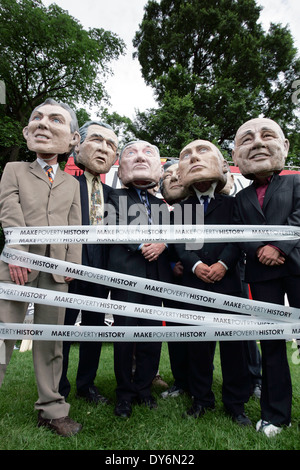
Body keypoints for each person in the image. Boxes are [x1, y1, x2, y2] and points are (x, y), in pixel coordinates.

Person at [0, 98, 82, 436]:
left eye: (54, 119)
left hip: (56, 272)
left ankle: (52, 409)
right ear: (26, 131)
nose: (42, 124)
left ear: (72, 140)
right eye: (36, 117)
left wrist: (72, 266)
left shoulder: (73, 183)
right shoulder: (14, 170)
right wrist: (17, 252)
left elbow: (76, 229)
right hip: (16, 267)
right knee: (2, 334)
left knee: (52, 341)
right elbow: (8, 209)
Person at [174, 139, 251, 426]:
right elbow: (180, 244)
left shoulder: (234, 204)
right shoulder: (182, 209)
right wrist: (195, 265)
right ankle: (201, 400)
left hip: (229, 284)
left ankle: (236, 404)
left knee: (234, 350)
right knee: (198, 348)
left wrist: (223, 264)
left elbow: (238, 237)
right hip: (196, 287)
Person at [232, 117, 300, 436]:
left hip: (296, 266)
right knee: (271, 344)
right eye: (248, 139)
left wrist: (279, 246)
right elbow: (236, 231)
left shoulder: (297, 182)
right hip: (261, 276)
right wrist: (260, 248)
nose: (258, 142)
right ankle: (275, 415)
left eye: (268, 135)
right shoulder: (239, 199)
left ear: (284, 146)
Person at [107, 140, 173, 418]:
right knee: (125, 334)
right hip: (127, 274)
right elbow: (113, 225)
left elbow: (172, 233)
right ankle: (124, 393)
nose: (140, 158)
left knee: (151, 334)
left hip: (155, 275)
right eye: (131, 153)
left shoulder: (163, 203)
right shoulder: (114, 196)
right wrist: (142, 246)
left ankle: (144, 389)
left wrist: (163, 244)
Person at [59, 120, 119, 404]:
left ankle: (87, 385)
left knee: (94, 331)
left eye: (111, 145)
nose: (104, 148)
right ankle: (57, 387)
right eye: (97, 140)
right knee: (62, 331)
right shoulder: (62, 185)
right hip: (66, 272)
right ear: (77, 145)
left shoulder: (114, 197)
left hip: (102, 272)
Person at [159, 160, 191, 398]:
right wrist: (172, 264)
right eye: (167, 175)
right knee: (176, 331)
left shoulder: (202, 208)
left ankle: (201, 382)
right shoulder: (162, 215)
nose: (173, 178)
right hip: (172, 281)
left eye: (178, 173)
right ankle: (181, 380)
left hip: (202, 279)